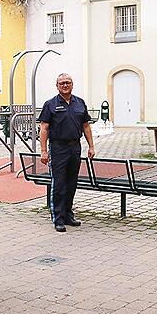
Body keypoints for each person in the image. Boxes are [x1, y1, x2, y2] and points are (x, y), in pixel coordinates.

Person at [38, 73, 95, 232]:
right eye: (62, 83)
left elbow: (86, 126)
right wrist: (43, 151)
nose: (65, 85)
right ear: (57, 86)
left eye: (68, 82)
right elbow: (44, 128)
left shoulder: (79, 103)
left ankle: (68, 214)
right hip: (58, 148)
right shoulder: (50, 104)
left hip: (75, 147)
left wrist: (91, 146)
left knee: (71, 183)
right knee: (59, 184)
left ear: (72, 84)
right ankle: (58, 218)